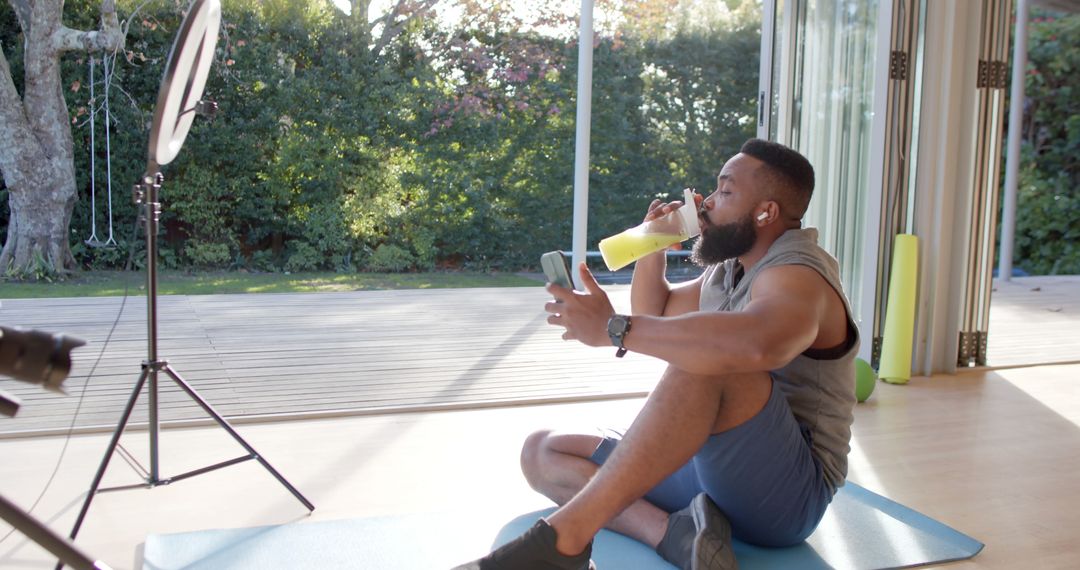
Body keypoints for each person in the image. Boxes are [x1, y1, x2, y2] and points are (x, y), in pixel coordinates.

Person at [455, 139, 859, 570]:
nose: (705, 204)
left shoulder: (799, 271)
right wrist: (652, 248)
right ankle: (670, 533)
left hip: (785, 496)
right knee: (542, 452)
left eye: (724, 191)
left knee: (714, 358)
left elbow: (758, 343)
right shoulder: (729, 270)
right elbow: (658, 312)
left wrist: (615, 329)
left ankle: (561, 544)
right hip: (710, 474)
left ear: (765, 212)